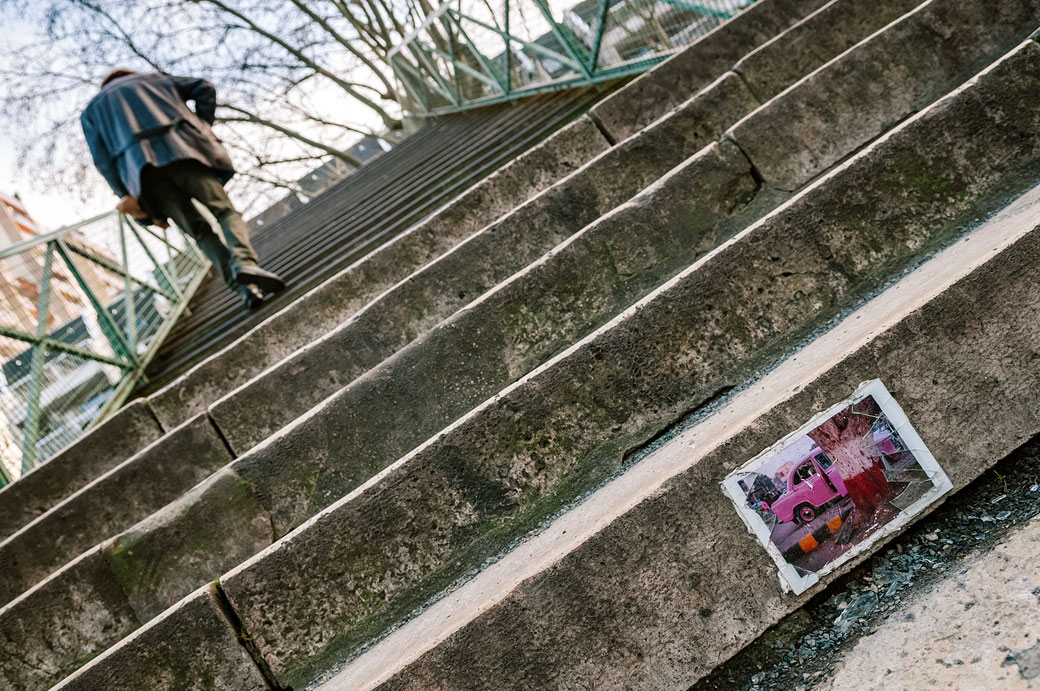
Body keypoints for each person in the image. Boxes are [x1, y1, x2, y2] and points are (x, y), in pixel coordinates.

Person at [81, 69, 285, 308]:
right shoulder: (154, 79)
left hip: (144, 174)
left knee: (200, 233)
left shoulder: (91, 111)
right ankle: (245, 262)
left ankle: (245, 290)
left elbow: (103, 161)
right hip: (185, 152)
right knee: (225, 212)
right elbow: (204, 87)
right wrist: (201, 126)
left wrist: (126, 194)